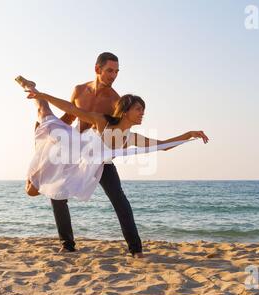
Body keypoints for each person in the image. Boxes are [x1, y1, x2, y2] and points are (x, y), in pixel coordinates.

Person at [17, 73, 209, 259]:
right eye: (138, 109)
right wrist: (43, 96)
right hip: (70, 147)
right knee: (45, 115)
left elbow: (162, 146)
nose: (142, 113)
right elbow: (72, 109)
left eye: (143, 109)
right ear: (125, 111)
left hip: (96, 164)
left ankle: (136, 250)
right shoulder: (103, 122)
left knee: (120, 201)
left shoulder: (131, 137)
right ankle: (32, 87)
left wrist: (188, 135)